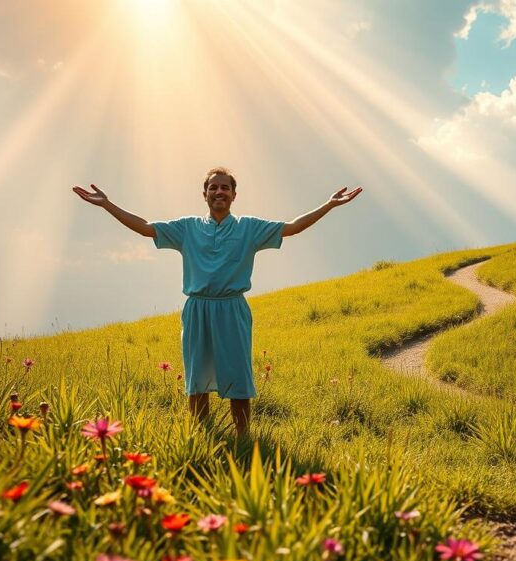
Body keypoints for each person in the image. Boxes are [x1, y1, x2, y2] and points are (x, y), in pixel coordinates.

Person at [73, 167, 361, 438]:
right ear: (205, 194)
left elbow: (293, 227)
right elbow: (146, 228)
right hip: (197, 309)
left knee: (238, 376)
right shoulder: (187, 228)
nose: (219, 191)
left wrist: (329, 205)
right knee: (197, 377)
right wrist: (107, 204)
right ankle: (201, 435)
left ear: (234, 195)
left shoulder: (249, 228)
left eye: (225, 187)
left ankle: (243, 438)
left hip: (232, 308)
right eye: (213, 187)